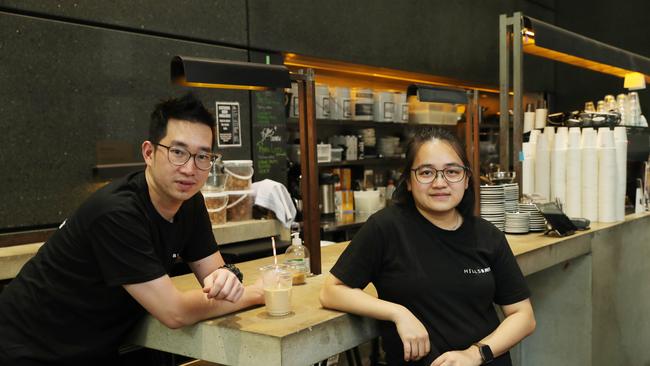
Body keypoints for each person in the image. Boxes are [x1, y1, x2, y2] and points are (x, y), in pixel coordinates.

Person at [0, 93, 264, 365]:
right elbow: (174, 312)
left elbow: (216, 277)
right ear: (149, 153)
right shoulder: (117, 213)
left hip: (90, 346)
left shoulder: (189, 202)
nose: (190, 168)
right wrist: (258, 293)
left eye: (203, 156)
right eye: (178, 152)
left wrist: (228, 278)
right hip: (28, 349)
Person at [320, 127, 535, 365]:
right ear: (409, 182)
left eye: (452, 172)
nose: (440, 182)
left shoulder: (487, 236)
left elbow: (523, 316)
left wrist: (475, 354)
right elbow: (332, 291)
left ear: (466, 180)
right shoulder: (386, 228)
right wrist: (398, 313)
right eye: (426, 172)